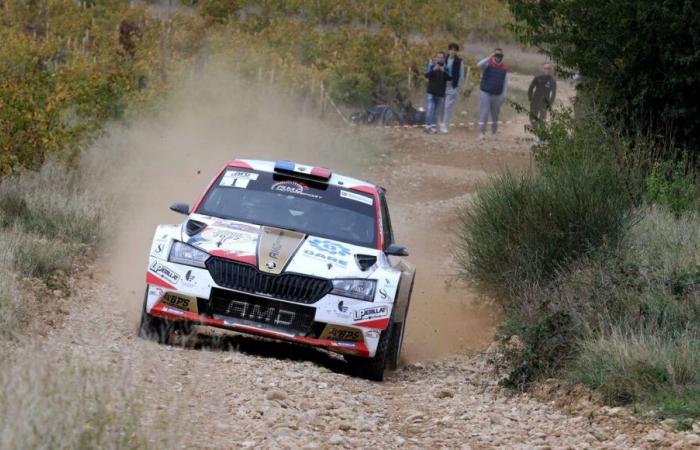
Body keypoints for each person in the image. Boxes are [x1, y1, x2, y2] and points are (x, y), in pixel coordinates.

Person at [477, 48, 508, 140]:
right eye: (496, 55)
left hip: (497, 94)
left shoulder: (504, 67)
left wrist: (504, 95)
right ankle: (481, 133)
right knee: (484, 113)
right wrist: (489, 57)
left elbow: (505, 82)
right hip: (485, 92)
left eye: (500, 55)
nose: (498, 57)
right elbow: (479, 65)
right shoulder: (487, 64)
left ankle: (494, 133)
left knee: (495, 115)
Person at [439, 42, 465, 134]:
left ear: (456, 51)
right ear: (449, 50)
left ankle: (445, 126)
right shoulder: (443, 59)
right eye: (451, 49)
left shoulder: (459, 61)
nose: (453, 51)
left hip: (452, 87)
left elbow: (461, 75)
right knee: (441, 106)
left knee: (447, 107)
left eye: (455, 50)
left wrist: (458, 87)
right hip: (442, 85)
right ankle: (441, 123)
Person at [423, 51, 452, 134]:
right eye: (438, 57)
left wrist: (444, 72)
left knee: (437, 112)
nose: (440, 59)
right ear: (436, 58)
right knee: (430, 109)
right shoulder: (431, 65)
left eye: (442, 57)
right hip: (431, 91)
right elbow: (426, 75)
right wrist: (433, 70)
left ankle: (433, 126)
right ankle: (427, 126)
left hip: (440, 93)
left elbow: (450, 78)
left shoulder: (447, 68)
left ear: (444, 59)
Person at [528, 63, 557, 129]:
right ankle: (535, 129)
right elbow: (531, 88)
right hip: (535, 100)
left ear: (551, 70)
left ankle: (541, 135)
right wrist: (530, 98)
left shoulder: (552, 81)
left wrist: (550, 104)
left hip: (544, 102)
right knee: (532, 117)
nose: (547, 70)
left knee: (542, 119)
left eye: (548, 68)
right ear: (542, 69)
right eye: (545, 68)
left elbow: (553, 94)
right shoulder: (538, 78)